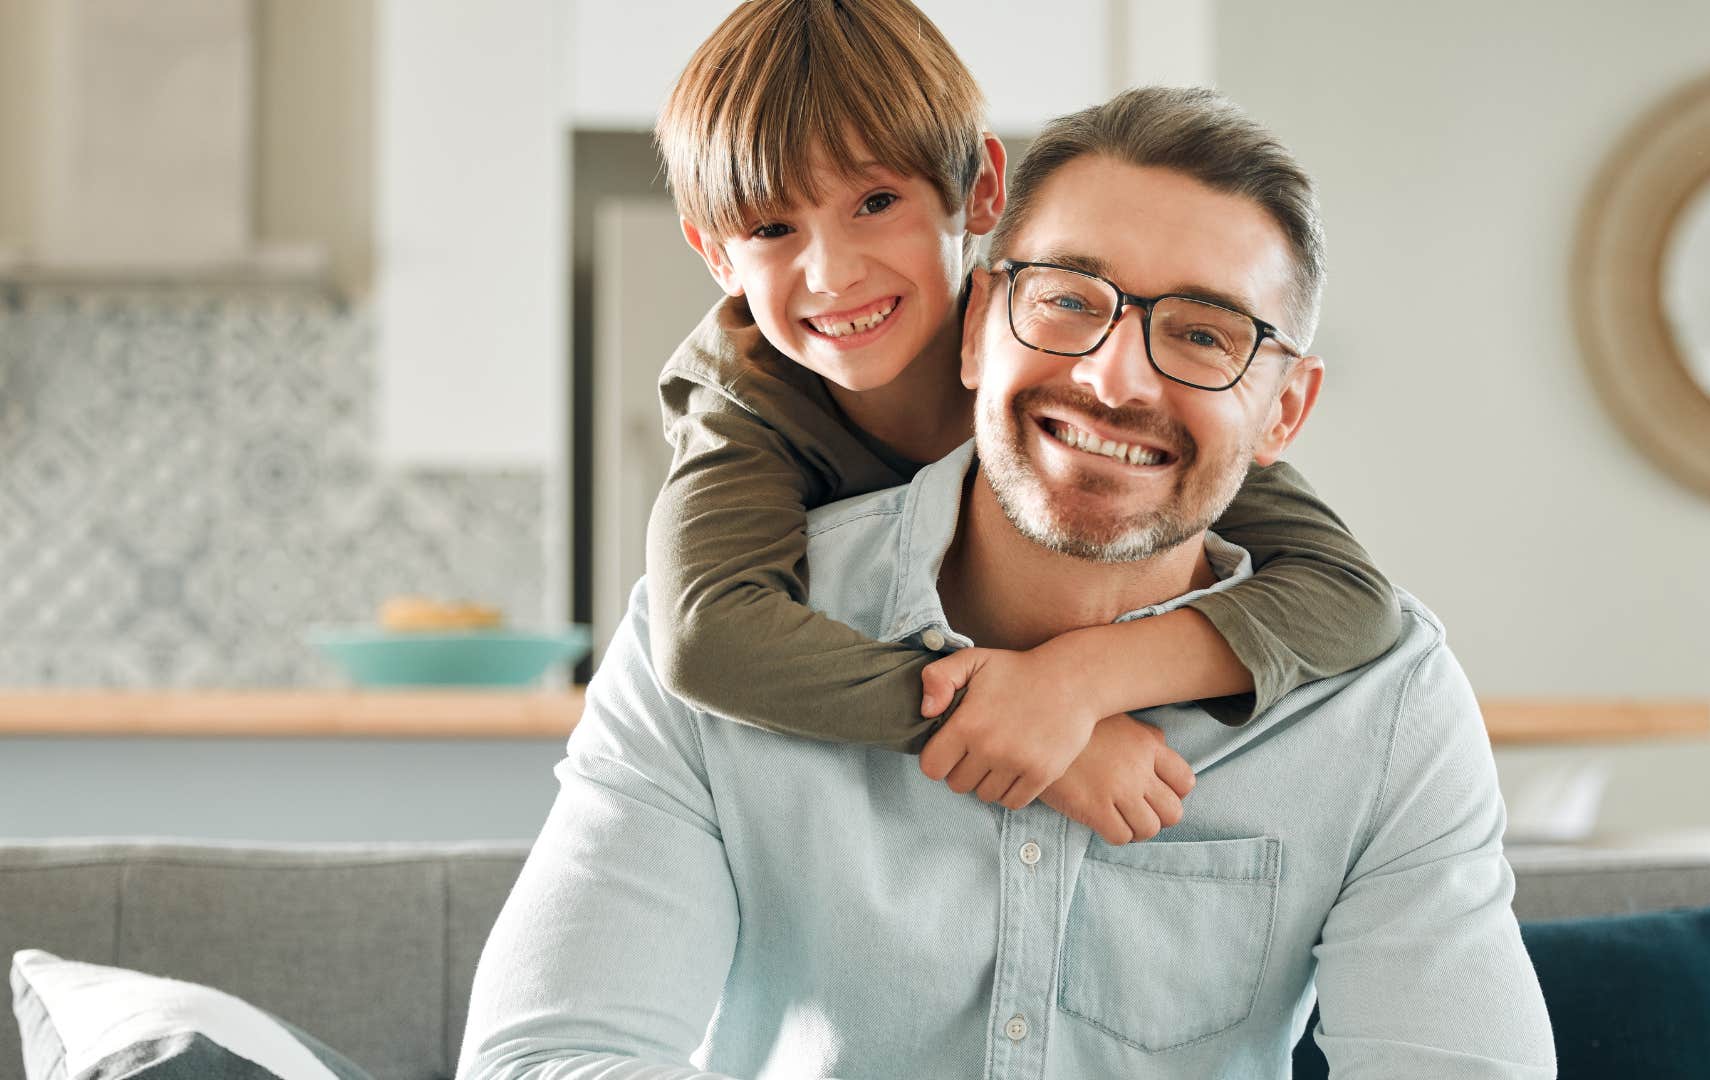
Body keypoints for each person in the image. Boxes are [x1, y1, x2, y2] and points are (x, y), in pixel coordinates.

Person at [460, 85, 1557, 1079]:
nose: (1112, 377)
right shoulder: (723, 630)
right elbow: (549, 1058)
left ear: (1285, 412)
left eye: (1204, 333)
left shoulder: (1383, 707)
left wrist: (1083, 682)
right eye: (1071, 300)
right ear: (980, 324)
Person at [645, 0, 1399, 842]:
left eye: (876, 201)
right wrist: (1006, 720)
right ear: (716, 255)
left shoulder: (1057, 350)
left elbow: (1351, 596)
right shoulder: (741, 400)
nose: (831, 274)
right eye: (774, 227)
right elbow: (707, 636)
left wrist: (1076, 684)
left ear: (980, 192)